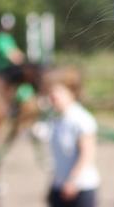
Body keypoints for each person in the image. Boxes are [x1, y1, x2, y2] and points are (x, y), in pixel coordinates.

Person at [42, 69, 100, 207]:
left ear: (72, 92)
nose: (53, 96)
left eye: (58, 91)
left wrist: (72, 181)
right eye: (51, 92)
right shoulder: (56, 119)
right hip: (59, 185)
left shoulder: (81, 119)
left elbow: (87, 155)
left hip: (80, 187)